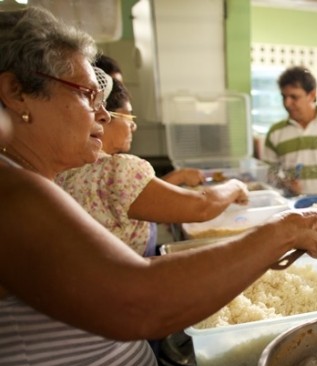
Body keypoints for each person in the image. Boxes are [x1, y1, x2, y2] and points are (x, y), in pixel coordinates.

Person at [0, 7, 317, 366]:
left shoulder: (34, 182)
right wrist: (283, 230)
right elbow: (138, 300)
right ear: (16, 92)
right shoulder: (11, 192)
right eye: (85, 94)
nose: (101, 114)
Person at [55, 75, 249, 256]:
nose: (133, 126)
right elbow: (202, 206)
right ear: (103, 117)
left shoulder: (67, 166)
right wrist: (236, 186)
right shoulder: (117, 168)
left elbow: (133, 200)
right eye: (128, 116)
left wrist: (179, 176)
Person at [93, 53, 206, 188]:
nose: (133, 126)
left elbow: (135, 198)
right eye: (112, 89)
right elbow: (141, 199)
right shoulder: (117, 167)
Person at [262, 65, 317, 197]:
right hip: (296, 208)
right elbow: (269, 174)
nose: (287, 103)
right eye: (284, 96)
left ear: (312, 95)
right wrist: (285, 183)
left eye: (294, 97)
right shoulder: (275, 133)